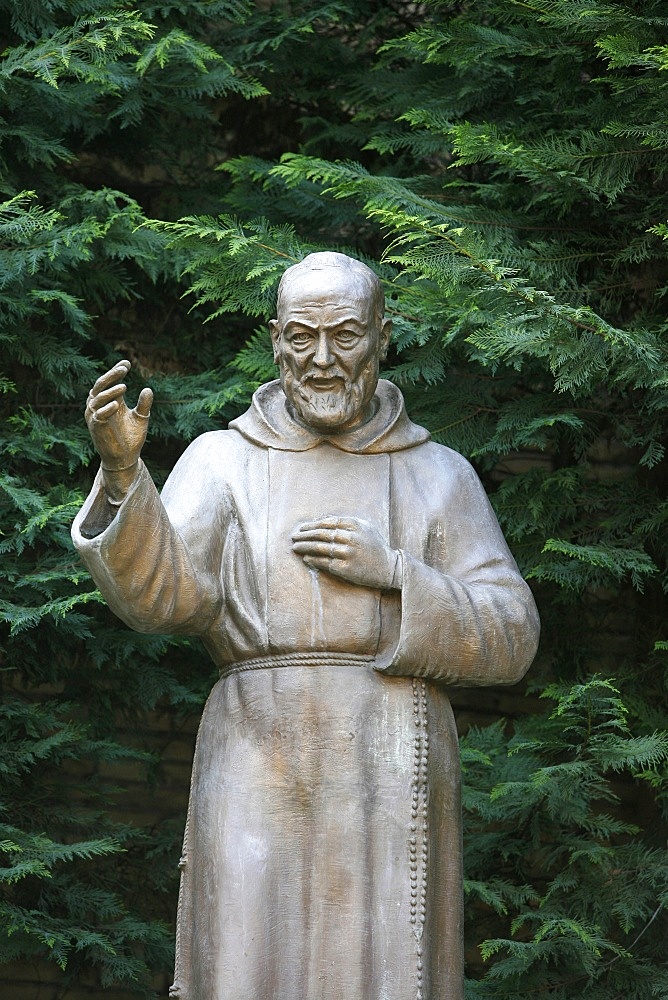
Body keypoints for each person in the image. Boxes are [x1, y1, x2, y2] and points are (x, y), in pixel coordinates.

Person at [72, 252, 539, 1000]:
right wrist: (127, 476)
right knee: (247, 959)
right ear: (275, 341)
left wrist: (395, 573)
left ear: (382, 338)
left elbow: (512, 633)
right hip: (258, 756)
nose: (323, 360)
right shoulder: (223, 461)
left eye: (346, 336)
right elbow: (166, 598)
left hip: (392, 764)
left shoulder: (439, 475)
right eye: (301, 338)